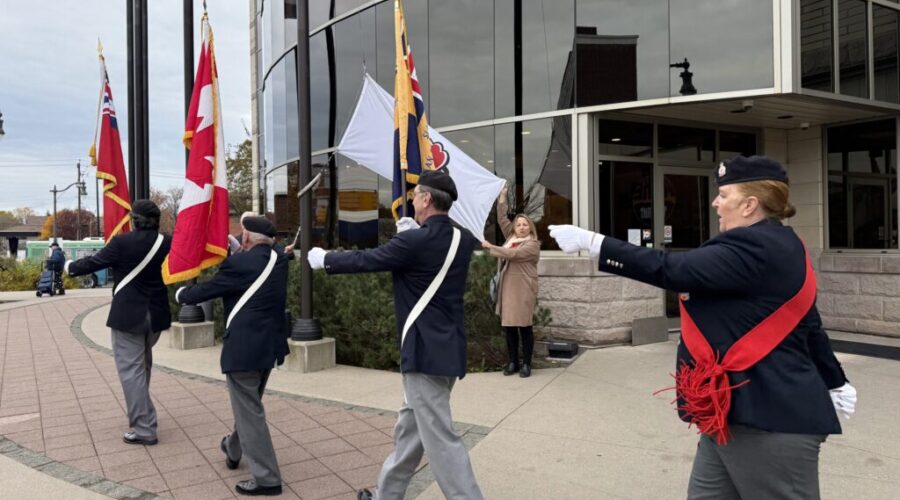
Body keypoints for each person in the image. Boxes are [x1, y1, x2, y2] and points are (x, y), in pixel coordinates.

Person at [548, 155, 857, 499]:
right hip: (731, 413)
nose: (715, 203)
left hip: (769, 419)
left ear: (750, 204)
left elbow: (671, 269)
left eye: (724, 195)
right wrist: (835, 380)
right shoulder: (780, 244)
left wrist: (595, 243)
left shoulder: (757, 245)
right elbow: (807, 323)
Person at [307, 169, 483, 500]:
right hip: (448, 350)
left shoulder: (414, 240)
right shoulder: (463, 239)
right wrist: (413, 235)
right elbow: (431, 249)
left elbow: (367, 260)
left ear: (428, 199)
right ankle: (387, 494)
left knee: (441, 441)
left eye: (416, 195)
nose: (412, 200)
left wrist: (325, 259)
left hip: (424, 353)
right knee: (410, 430)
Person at [175, 215, 289, 497]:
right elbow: (271, 251)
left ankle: (267, 479)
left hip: (244, 349)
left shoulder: (239, 263)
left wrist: (181, 294)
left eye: (242, 234)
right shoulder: (280, 261)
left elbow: (209, 290)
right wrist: (242, 245)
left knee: (250, 412)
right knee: (248, 407)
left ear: (247, 238)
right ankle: (233, 447)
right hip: (270, 347)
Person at [64, 200, 171, 446]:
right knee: (143, 366)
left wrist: (69, 266)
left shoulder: (122, 243)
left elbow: (93, 263)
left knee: (131, 370)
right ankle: (144, 412)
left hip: (129, 315)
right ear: (156, 220)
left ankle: (144, 428)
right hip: (156, 314)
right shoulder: (166, 242)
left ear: (134, 220)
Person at [481, 184, 540, 377]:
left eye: (525, 225)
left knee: (524, 327)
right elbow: (501, 218)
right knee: (510, 328)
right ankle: (513, 362)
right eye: (518, 224)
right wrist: (502, 198)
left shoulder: (532, 245)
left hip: (524, 289)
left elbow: (513, 254)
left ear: (529, 228)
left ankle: (526, 364)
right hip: (507, 288)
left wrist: (491, 246)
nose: (521, 227)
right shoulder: (511, 237)